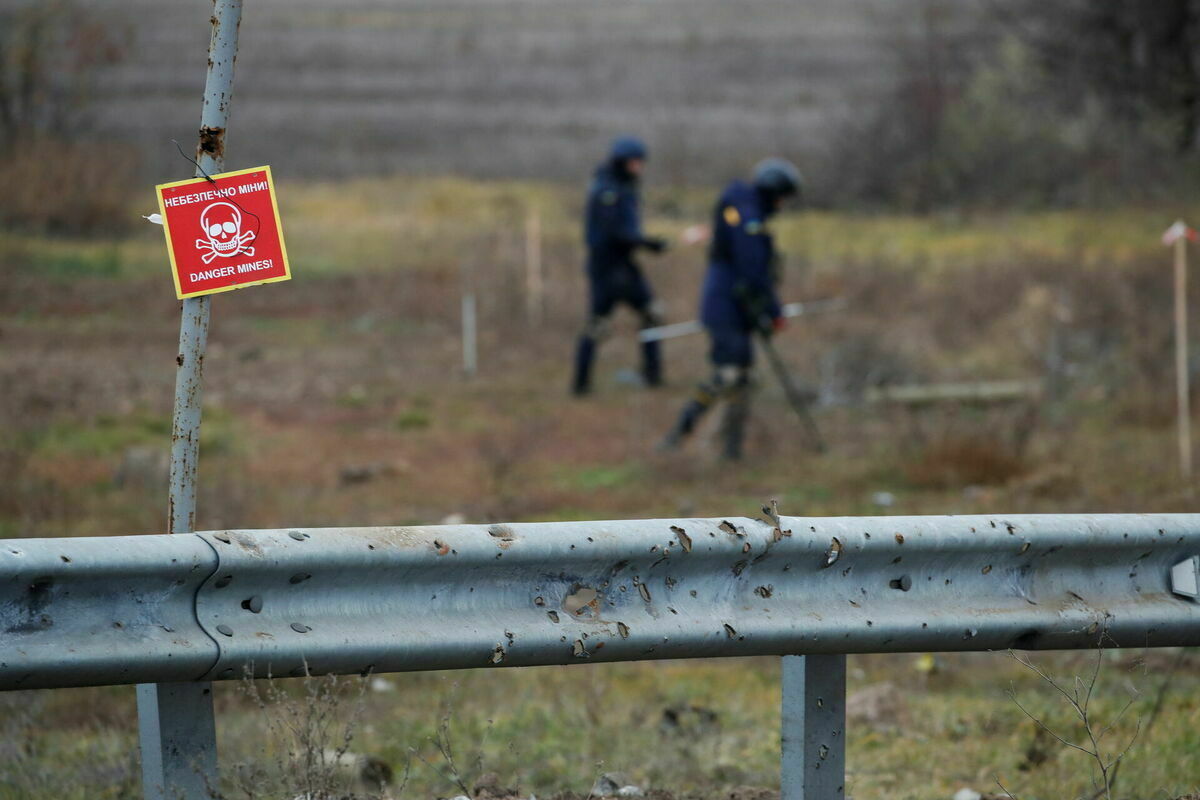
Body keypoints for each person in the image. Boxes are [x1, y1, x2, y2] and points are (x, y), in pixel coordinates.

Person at [659, 158, 803, 459]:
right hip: (724, 309)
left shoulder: (747, 211)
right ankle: (679, 434)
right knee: (729, 374)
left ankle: (730, 450)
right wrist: (773, 311)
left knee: (743, 378)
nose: (782, 204)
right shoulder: (747, 215)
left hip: (738, 310)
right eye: (782, 197)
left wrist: (766, 310)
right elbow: (753, 270)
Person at [571, 136, 669, 395]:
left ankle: (650, 375)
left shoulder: (620, 186)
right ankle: (582, 384)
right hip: (610, 267)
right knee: (603, 324)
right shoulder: (608, 191)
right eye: (635, 162)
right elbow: (616, 233)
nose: (639, 168)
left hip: (620, 264)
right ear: (622, 162)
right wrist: (649, 244)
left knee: (644, 316)